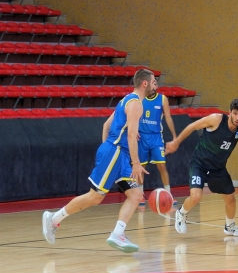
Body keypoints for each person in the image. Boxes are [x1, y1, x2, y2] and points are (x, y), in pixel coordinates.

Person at [41, 69, 156, 253]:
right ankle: (53, 219)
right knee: (95, 197)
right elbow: (132, 135)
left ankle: (118, 234)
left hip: (118, 154)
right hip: (116, 153)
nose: (155, 86)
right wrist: (132, 161)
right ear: (145, 83)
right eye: (153, 82)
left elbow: (106, 125)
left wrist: (110, 150)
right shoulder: (136, 104)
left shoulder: (125, 100)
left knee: (135, 195)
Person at [165, 98, 238, 237]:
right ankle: (181, 213)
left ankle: (229, 227)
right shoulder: (216, 119)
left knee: (230, 199)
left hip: (218, 168)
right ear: (229, 112)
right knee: (196, 197)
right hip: (199, 163)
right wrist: (176, 142)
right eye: (235, 113)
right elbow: (191, 126)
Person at [137, 87, 178, 206]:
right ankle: (140, 196)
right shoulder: (139, 98)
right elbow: (132, 115)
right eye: (152, 83)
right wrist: (134, 129)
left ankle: (169, 195)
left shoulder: (162, 99)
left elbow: (168, 117)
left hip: (156, 137)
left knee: (162, 165)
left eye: (155, 83)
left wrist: (174, 136)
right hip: (142, 136)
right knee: (141, 166)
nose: (154, 86)